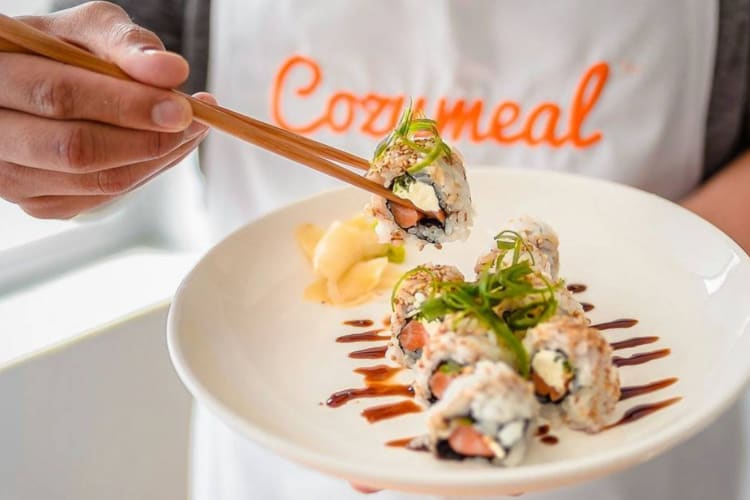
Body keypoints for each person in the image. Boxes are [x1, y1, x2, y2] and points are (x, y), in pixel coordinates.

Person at [1, 1, 749, 498]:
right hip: (285, 445)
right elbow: (114, 69)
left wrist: (690, 269)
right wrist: (76, 138)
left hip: (643, 465)